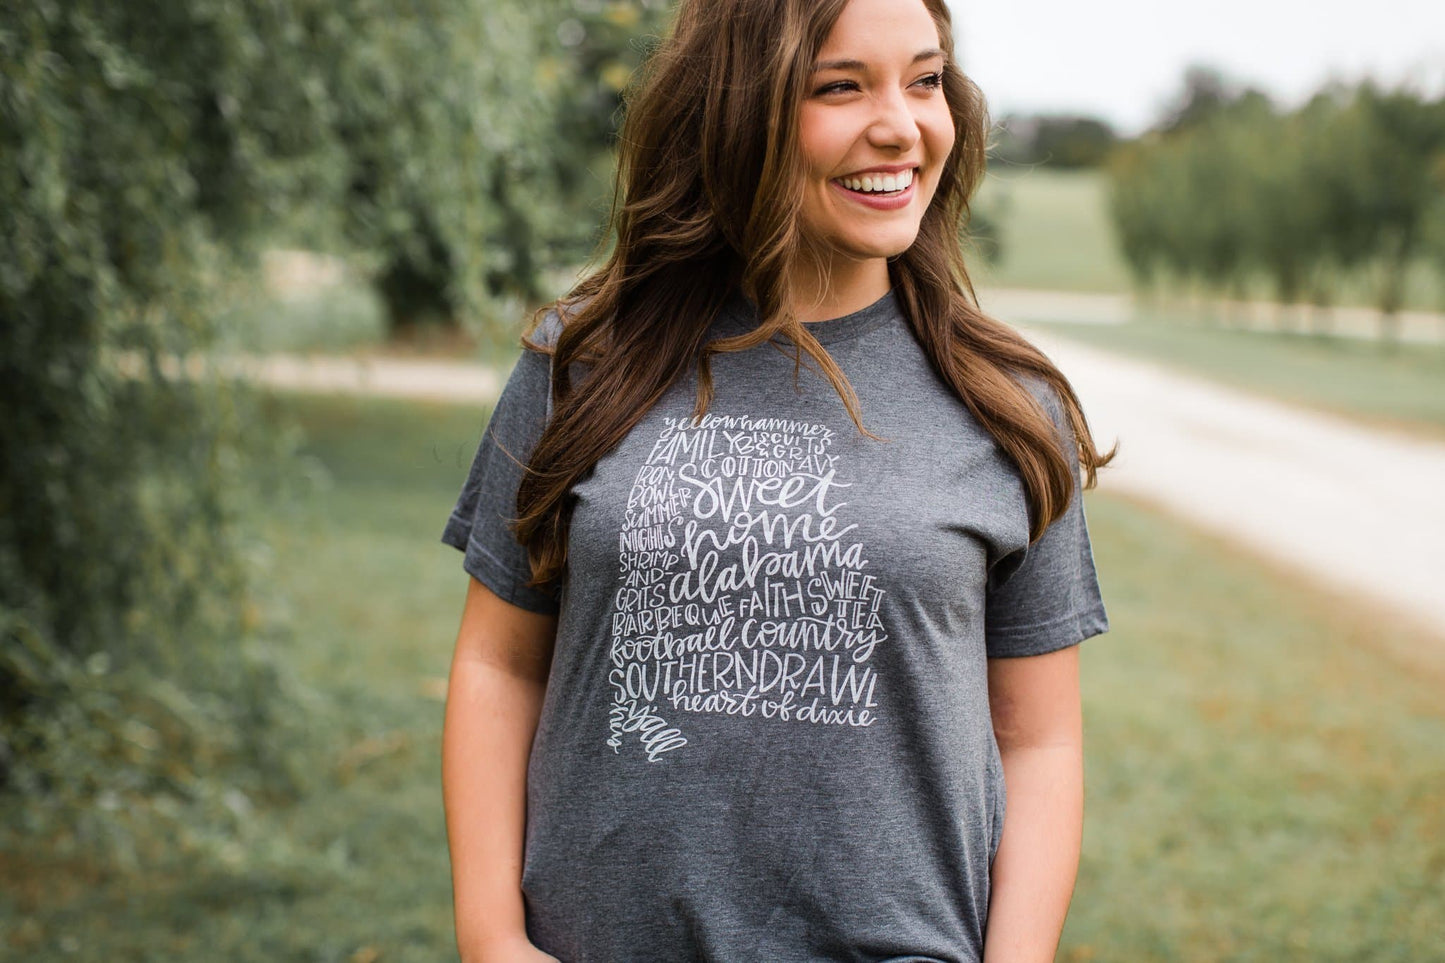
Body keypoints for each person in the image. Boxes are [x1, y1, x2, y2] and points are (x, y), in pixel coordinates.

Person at [440, 0, 1117, 959]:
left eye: (923, 80)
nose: (901, 124)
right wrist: (490, 936)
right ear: (736, 107)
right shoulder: (583, 361)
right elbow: (498, 663)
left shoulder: (1007, 402)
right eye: (839, 86)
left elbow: (1038, 740)